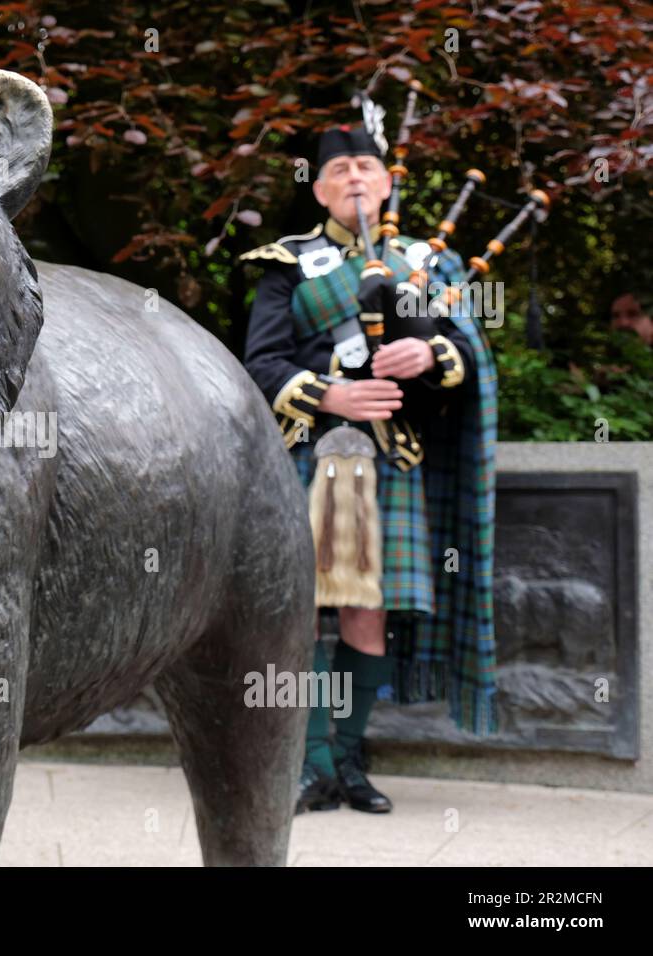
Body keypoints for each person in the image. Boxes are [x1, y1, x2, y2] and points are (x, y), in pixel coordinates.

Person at [241, 126, 499, 814]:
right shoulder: (289, 263)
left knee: (367, 613)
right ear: (319, 187)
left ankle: (350, 764)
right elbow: (259, 362)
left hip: (392, 460)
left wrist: (434, 358)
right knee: (303, 613)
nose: (355, 178)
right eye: (340, 170)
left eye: (367, 167)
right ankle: (306, 764)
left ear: (387, 183)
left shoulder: (425, 264)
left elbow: (469, 360)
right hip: (316, 455)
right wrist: (333, 393)